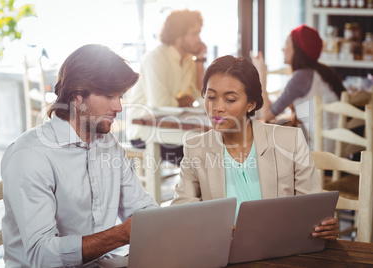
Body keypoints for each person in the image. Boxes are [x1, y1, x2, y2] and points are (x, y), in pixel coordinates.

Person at [1, 44, 158, 267]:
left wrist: (168, 225)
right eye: (109, 95)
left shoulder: (107, 145)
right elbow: (42, 255)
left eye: (120, 96)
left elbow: (142, 211)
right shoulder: (31, 155)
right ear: (77, 96)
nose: (118, 107)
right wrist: (120, 234)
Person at [171, 55, 339, 241]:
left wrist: (325, 226)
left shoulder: (290, 141)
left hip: (279, 248)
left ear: (250, 104)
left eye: (230, 100)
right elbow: (181, 207)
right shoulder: (196, 148)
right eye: (211, 97)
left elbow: (312, 208)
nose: (217, 108)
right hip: (223, 249)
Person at [126, 9, 207, 165]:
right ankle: (193, 189)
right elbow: (160, 103)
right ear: (179, 35)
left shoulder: (188, 59)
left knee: (210, 152)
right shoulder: (155, 58)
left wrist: (200, 60)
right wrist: (182, 101)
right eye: (194, 34)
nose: (199, 39)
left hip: (172, 128)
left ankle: (197, 188)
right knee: (201, 161)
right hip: (145, 133)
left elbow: (197, 93)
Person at [250, 24, 346, 151]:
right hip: (338, 146)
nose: (282, 49)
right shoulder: (322, 72)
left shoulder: (301, 77)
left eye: (286, 44)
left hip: (321, 152)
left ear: (297, 48)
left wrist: (261, 72)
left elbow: (267, 114)